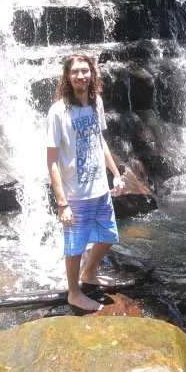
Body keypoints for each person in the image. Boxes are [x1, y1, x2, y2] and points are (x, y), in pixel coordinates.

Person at [46, 52, 124, 312]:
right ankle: (74, 293)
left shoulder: (96, 102)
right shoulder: (58, 112)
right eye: (75, 71)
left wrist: (116, 173)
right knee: (75, 246)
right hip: (75, 194)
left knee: (109, 236)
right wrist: (62, 203)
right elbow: (52, 161)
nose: (81, 75)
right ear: (67, 77)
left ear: (92, 73)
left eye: (85, 70)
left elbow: (99, 141)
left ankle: (88, 274)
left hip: (100, 188)